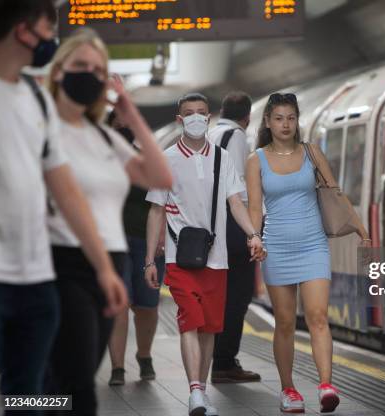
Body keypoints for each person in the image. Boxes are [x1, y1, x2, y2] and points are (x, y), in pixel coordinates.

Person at [0, 0, 128, 410]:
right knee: (70, 390)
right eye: (47, 30)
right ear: (23, 30)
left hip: (36, 279)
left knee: (35, 392)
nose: (51, 40)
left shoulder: (35, 101)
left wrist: (104, 269)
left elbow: (66, 190)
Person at [44, 28, 172, 415]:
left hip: (109, 265)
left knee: (65, 378)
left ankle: (26, 405)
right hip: (63, 262)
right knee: (77, 380)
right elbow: (67, 204)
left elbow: (160, 177)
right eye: (80, 65)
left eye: (98, 70)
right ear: (59, 70)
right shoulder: (43, 129)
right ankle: (24, 405)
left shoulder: (102, 136)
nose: (89, 75)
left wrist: (132, 116)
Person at [246, 93, 371, 413]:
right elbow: (256, 209)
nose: (285, 124)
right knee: (285, 323)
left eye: (290, 118)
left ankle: (326, 384)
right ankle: (288, 390)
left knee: (317, 317)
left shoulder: (312, 153)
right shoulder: (255, 160)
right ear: (268, 122)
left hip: (313, 245)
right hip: (276, 248)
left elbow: (335, 194)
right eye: (278, 118)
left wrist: (358, 225)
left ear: (297, 120)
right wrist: (255, 238)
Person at [145, 92, 265, 416]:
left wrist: (253, 234)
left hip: (217, 257)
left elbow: (235, 203)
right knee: (189, 323)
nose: (196, 117)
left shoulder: (222, 158)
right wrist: (149, 260)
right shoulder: (166, 159)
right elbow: (156, 211)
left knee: (210, 327)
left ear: (209, 117)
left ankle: (202, 391)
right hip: (179, 257)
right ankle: (195, 391)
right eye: (189, 113)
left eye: (201, 112)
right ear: (179, 119)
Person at [106, 111, 167, 386]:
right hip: (112, 244)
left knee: (146, 305)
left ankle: (144, 355)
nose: (121, 128)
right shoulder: (97, 161)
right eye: (115, 124)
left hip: (146, 241)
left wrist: (162, 237)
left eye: (125, 124)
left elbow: (161, 201)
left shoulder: (143, 161)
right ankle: (117, 367)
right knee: (119, 305)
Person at [208, 91, 261, 383]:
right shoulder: (237, 137)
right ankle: (225, 362)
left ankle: (219, 358)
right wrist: (253, 231)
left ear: (221, 110)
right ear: (247, 116)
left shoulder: (212, 133)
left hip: (214, 225)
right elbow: (239, 188)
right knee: (238, 297)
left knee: (222, 295)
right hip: (233, 226)